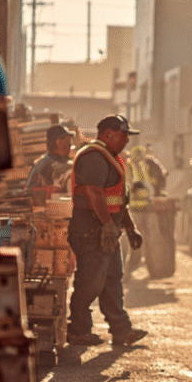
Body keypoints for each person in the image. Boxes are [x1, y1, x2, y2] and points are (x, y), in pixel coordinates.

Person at [66, 114, 148, 348]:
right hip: (90, 233)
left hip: (104, 232)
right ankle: (78, 330)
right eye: (124, 135)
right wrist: (107, 225)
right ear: (107, 134)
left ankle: (121, 331)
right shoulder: (94, 156)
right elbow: (94, 193)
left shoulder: (110, 158)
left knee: (112, 280)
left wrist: (130, 229)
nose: (127, 141)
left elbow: (118, 201)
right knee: (90, 282)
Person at [123, 144, 169, 278]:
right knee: (148, 240)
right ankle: (151, 269)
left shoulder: (133, 166)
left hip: (138, 209)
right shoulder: (145, 166)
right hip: (145, 209)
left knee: (139, 241)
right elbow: (159, 180)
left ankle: (130, 271)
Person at [25, 124, 74, 203]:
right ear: (59, 142)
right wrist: (48, 190)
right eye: (68, 140)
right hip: (54, 209)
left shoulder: (71, 162)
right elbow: (28, 192)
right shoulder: (41, 164)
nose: (70, 144)